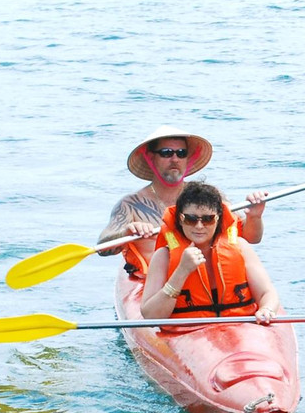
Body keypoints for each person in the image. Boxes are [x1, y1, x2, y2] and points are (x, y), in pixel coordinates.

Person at [97, 126, 266, 280]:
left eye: (181, 153)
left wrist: (255, 216)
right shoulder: (131, 204)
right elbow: (103, 248)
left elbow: (252, 237)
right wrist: (126, 233)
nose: (175, 159)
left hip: (207, 284)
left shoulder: (209, 197)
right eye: (166, 152)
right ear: (150, 157)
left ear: (188, 158)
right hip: (156, 286)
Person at [140, 181, 278, 323]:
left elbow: (266, 293)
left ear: (218, 219)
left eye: (208, 219)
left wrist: (267, 309)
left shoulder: (240, 247)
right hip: (186, 333)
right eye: (191, 219)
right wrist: (181, 271)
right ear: (180, 220)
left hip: (239, 328)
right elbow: (151, 315)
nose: (199, 226)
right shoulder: (163, 256)